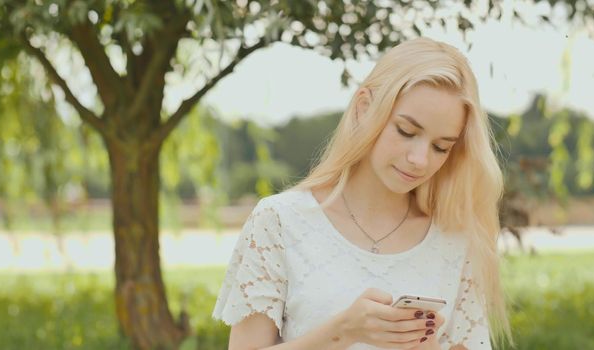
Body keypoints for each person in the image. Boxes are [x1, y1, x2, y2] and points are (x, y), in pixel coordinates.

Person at [212, 37, 514, 350]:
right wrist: (344, 330)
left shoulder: (454, 239)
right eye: (406, 131)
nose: (420, 159)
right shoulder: (279, 222)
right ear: (363, 108)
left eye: (441, 147)